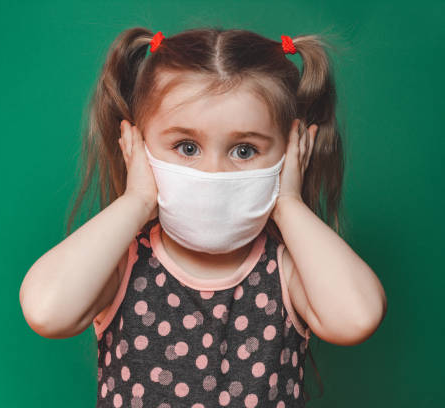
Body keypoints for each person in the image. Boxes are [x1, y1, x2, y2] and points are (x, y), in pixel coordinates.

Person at [19, 27, 387, 407]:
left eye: (244, 151)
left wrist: (289, 201)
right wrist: (136, 200)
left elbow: (356, 318)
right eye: (187, 147)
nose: (214, 173)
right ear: (139, 147)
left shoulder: (289, 269)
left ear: (291, 151)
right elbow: (47, 311)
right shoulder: (122, 262)